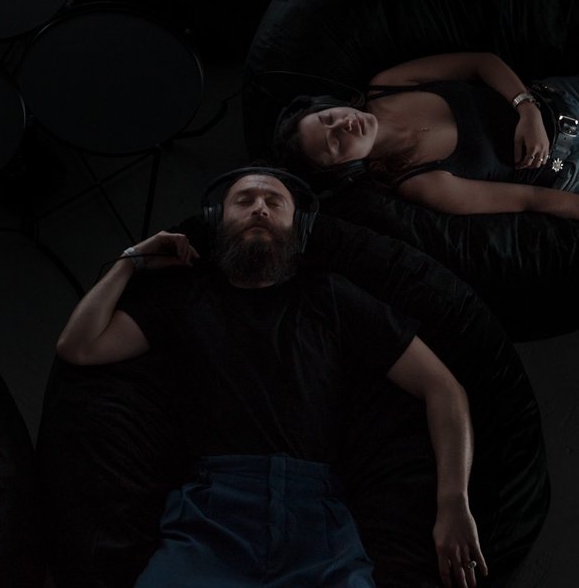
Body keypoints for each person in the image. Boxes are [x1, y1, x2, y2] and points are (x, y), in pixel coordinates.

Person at [56, 168, 487, 588]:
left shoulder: (330, 295)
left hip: (318, 524)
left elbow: (444, 387)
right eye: (244, 201)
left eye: (273, 202)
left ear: (294, 227)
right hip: (209, 518)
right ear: (217, 221)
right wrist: (133, 260)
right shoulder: (184, 296)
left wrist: (453, 502)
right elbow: (79, 347)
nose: (259, 209)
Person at [273, 52, 579, 218]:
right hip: (565, 171)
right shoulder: (418, 181)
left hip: (560, 98)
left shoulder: (389, 84)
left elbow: (482, 62)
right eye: (336, 142)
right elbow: (530, 199)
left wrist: (526, 109)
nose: (344, 125)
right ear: (344, 167)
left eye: (329, 117)